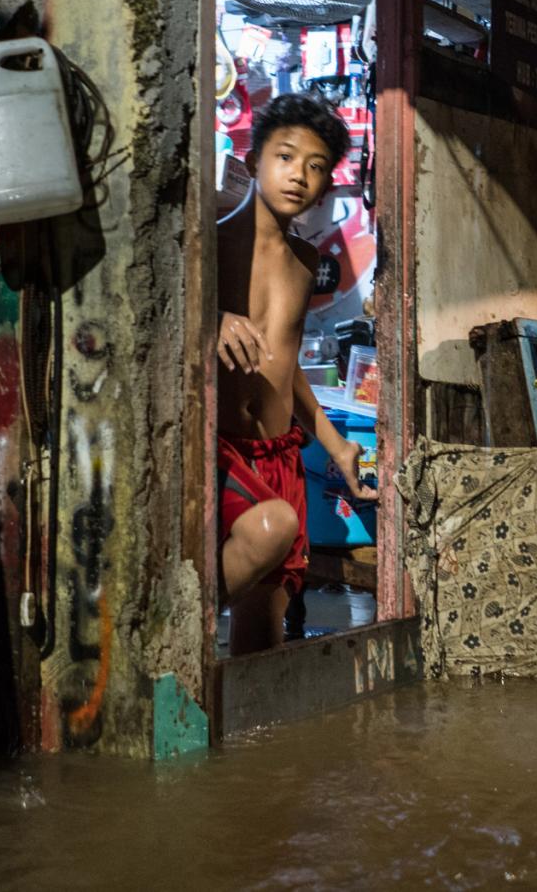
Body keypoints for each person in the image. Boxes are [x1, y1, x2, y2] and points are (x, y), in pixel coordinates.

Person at [216, 93, 378, 653]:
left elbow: (284, 366)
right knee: (271, 527)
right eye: (285, 157)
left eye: (315, 166)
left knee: (260, 647)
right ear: (253, 159)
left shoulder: (306, 261)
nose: (299, 175)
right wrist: (211, 319)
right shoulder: (207, 236)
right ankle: (161, 624)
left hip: (281, 456)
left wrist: (335, 445)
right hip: (220, 453)